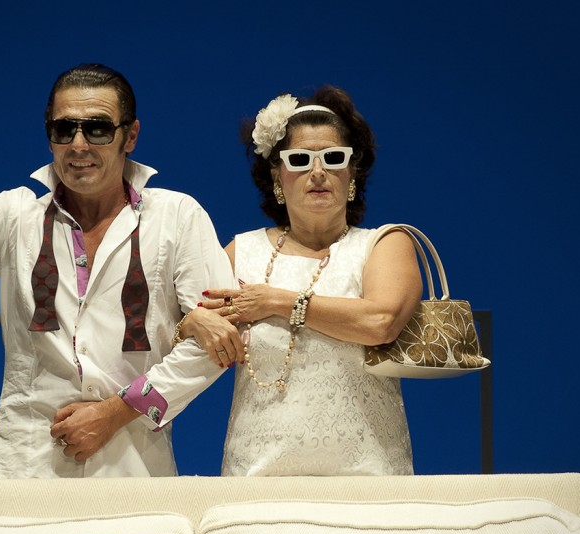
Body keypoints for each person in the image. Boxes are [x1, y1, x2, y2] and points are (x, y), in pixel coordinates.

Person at [0, 64, 234, 478]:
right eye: (64, 130)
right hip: (25, 468)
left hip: (134, 469)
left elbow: (218, 342)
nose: (78, 145)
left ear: (131, 136)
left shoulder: (176, 216)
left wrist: (117, 411)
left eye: (98, 129)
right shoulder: (16, 219)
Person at [177, 86, 423, 476]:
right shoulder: (242, 252)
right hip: (257, 473)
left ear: (352, 172)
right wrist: (191, 323)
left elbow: (380, 322)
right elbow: (191, 337)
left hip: (368, 477)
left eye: (333, 157)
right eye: (300, 159)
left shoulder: (384, 244)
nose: (318, 172)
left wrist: (278, 302)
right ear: (277, 175)